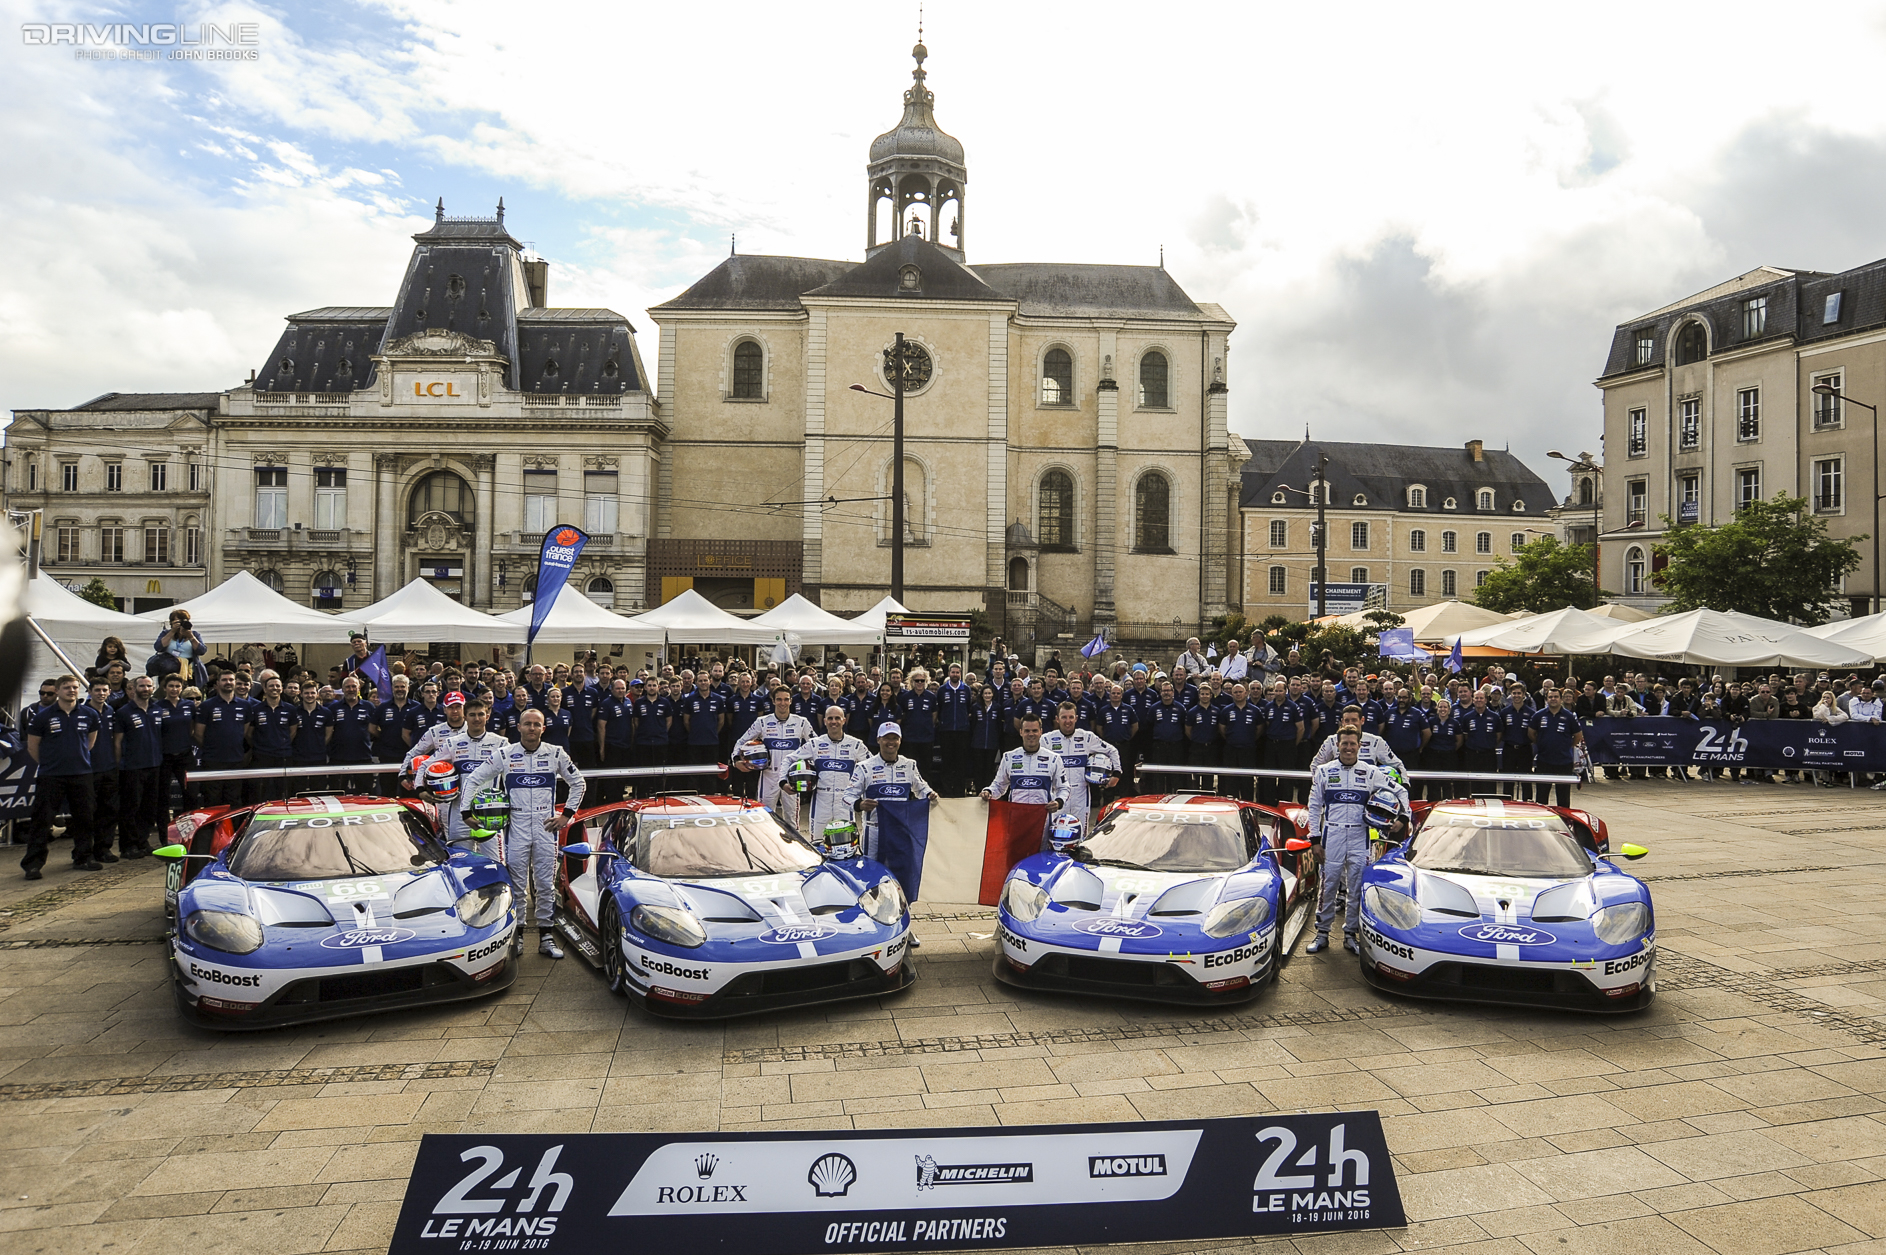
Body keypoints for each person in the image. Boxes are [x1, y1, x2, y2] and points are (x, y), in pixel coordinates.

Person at [464, 708, 586, 960]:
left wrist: (567, 816)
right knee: (517, 886)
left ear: (544, 728)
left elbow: (579, 783)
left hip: (545, 827)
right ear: (518, 727)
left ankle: (546, 937)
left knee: (545, 884)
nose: (532, 728)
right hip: (516, 827)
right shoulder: (505, 754)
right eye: (527, 724)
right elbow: (473, 779)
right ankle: (516, 937)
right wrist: (467, 812)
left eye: (536, 724)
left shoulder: (555, 753)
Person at [1305, 728, 1397, 955]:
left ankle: (1350, 934)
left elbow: (1400, 792)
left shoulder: (1370, 771)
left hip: (1360, 836)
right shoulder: (1324, 771)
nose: (1348, 748)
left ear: (1359, 746)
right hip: (1332, 835)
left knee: (1356, 887)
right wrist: (1315, 838)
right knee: (1328, 886)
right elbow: (1314, 806)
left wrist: (1401, 819)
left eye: (1352, 744)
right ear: (1337, 746)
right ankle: (1322, 933)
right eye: (1344, 744)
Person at [843, 723, 937, 892]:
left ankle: (900, 909)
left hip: (901, 831)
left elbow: (922, 789)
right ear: (879, 740)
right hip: (874, 831)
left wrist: (930, 794)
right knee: (871, 875)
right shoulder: (864, 767)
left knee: (901, 874)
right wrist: (860, 804)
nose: (890, 742)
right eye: (887, 738)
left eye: (895, 738)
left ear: (900, 741)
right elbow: (847, 796)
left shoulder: (910, 765)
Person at [24, 675, 100, 878]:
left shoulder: (89, 714)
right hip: (51, 776)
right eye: (67, 687)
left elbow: (90, 742)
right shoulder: (43, 716)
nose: (72, 690)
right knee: (42, 820)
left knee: (85, 819)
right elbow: (33, 746)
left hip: (81, 774)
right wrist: (50, 763)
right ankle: (33, 864)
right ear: (57, 691)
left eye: (75, 687)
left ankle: (83, 857)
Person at [407, 697, 512, 844]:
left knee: (493, 862)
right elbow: (425, 765)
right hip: (459, 812)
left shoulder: (501, 743)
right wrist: (419, 790)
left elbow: (515, 774)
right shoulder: (452, 743)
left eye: (481, 714)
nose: (477, 718)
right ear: (465, 716)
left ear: (487, 716)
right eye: (472, 715)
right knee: (460, 858)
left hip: (490, 812)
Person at [736, 687, 816, 829]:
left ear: (791, 701)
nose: (782, 703)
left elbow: (816, 745)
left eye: (786, 699)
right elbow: (742, 741)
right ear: (773, 701)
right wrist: (736, 760)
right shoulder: (762, 722)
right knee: (764, 817)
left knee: (791, 820)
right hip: (769, 775)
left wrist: (811, 767)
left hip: (791, 777)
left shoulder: (801, 722)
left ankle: (792, 849)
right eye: (779, 699)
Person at [1041, 701, 1121, 829]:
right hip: (1056, 795)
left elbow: (1112, 750)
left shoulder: (1086, 737)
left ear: (1076, 718)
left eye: (1071, 717)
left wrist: (1116, 774)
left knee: (1080, 834)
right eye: (1064, 717)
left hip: (1080, 795)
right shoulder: (1046, 740)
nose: (1068, 721)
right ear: (1057, 719)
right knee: (1054, 833)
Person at [113, 675, 163, 858]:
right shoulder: (124, 712)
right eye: (142, 686)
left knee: (148, 808)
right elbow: (117, 742)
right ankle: (128, 845)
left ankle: (143, 841)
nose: (146, 689)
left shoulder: (158, 709)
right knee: (130, 807)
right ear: (133, 689)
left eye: (149, 686)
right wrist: (120, 765)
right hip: (132, 767)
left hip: (154, 765)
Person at [802, 704, 870, 833]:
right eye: (830, 718)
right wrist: (784, 782)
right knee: (817, 844)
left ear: (844, 720)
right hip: (821, 800)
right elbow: (789, 759)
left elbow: (872, 766)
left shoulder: (856, 744)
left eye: (837, 718)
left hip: (844, 800)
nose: (834, 722)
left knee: (846, 844)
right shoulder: (814, 744)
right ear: (825, 721)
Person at [193, 668, 252, 808]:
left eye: (231, 680)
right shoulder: (207, 705)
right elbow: (198, 734)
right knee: (213, 800)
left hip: (236, 760)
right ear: (217, 683)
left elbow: (244, 731)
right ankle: (213, 830)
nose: (228, 682)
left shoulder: (245, 706)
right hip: (213, 760)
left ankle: (233, 829)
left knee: (234, 800)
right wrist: (212, 749)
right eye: (224, 680)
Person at [84, 678, 122, 863]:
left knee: (109, 810)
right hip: (88, 770)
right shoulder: (82, 712)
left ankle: (103, 848)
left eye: (104, 690)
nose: (101, 693)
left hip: (109, 768)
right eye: (97, 690)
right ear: (89, 691)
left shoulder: (110, 711)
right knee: (87, 812)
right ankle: (84, 851)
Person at [674, 671, 729, 792]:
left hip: (712, 742)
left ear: (709, 681)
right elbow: (686, 721)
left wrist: (713, 732)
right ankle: (694, 796)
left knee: (710, 773)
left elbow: (721, 721)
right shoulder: (690, 699)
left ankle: (709, 795)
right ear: (696, 682)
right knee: (694, 773)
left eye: (705, 680)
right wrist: (694, 732)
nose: (703, 683)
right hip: (694, 742)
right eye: (700, 681)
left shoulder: (718, 699)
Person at [1529, 688, 1584, 807]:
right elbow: (1531, 733)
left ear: (1561, 699)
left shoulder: (1569, 716)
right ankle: (1541, 820)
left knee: (1563, 796)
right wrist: (1542, 743)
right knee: (1541, 795)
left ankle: (1564, 821)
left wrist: (1567, 746)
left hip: (1564, 761)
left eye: (1556, 697)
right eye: (1550, 697)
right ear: (1546, 699)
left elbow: (1578, 735)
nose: (1553, 699)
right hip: (1544, 760)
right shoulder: (1539, 715)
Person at [246, 674, 297, 802]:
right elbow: (248, 734)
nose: (274, 688)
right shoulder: (256, 709)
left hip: (283, 756)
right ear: (265, 688)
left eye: (277, 686)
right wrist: (260, 746)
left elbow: (292, 732)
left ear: (281, 689)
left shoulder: (290, 709)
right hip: (261, 756)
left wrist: (280, 744)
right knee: (260, 792)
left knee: (282, 791)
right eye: (271, 686)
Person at [325, 674, 377, 794]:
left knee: (365, 794)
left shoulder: (369, 706)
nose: (351, 689)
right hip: (338, 758)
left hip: (363, 757)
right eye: (347, 687)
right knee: (337, 793)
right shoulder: (333, 708)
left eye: (354, 686)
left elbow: (374, 729)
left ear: (359, 688)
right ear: (342, 689)